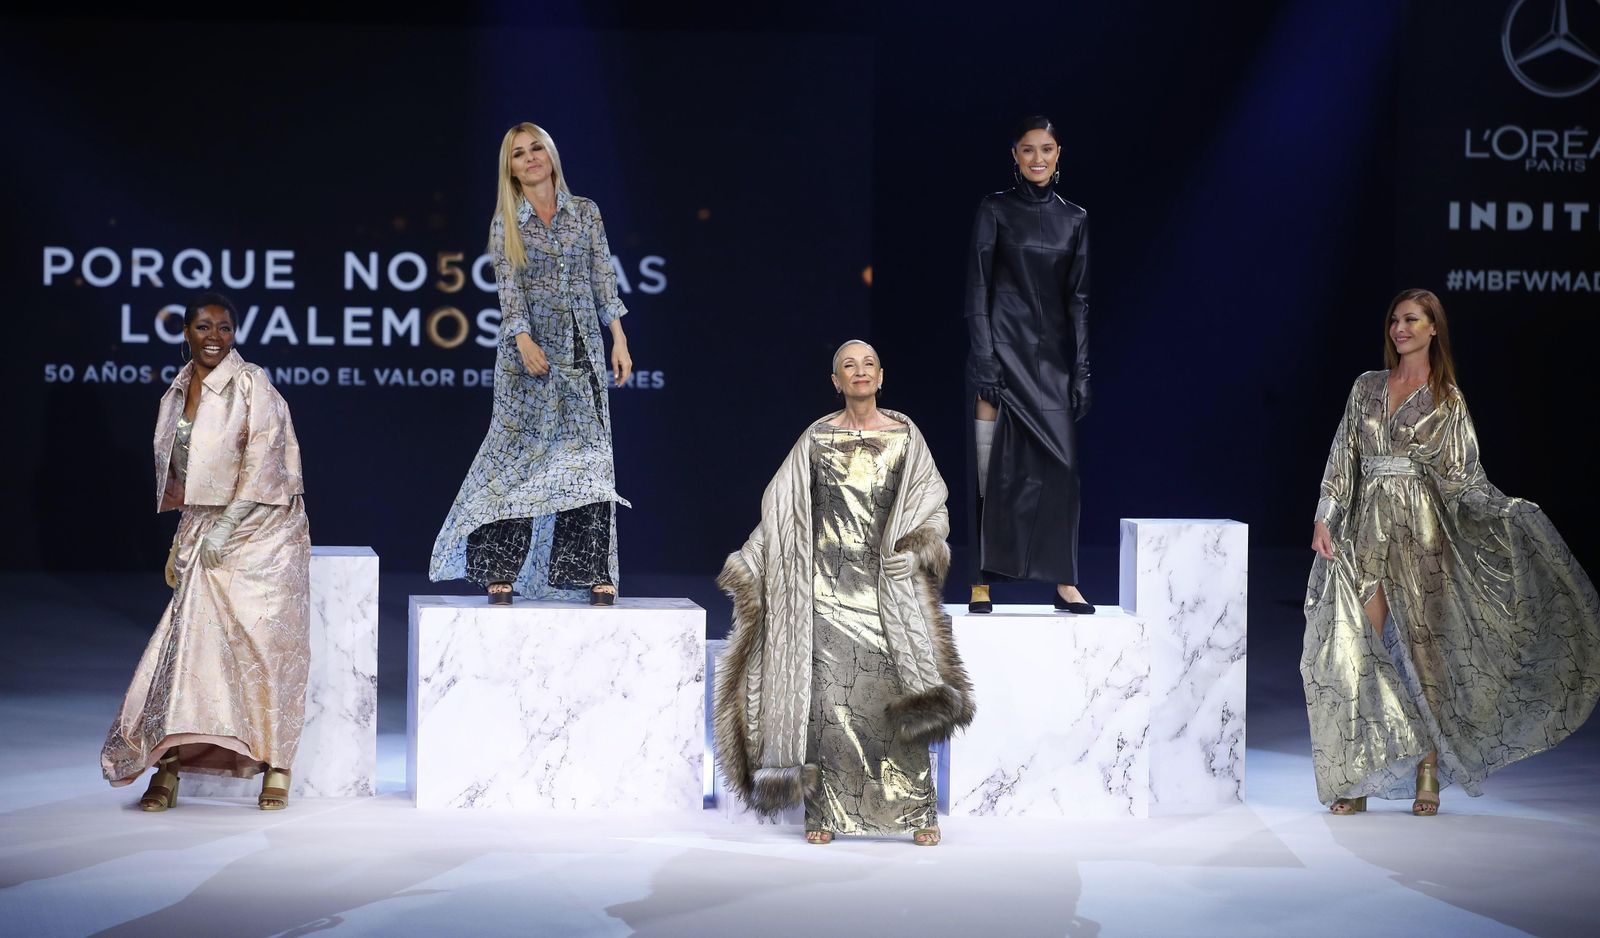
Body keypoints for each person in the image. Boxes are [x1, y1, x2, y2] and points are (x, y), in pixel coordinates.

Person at [1302, 288, 1600, 816]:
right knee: (1354, 648)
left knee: (1427, 657)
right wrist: (1325, 515)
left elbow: (1464, 480)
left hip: (1423, 535)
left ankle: (1428, 769)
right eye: (1395, 320)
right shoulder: (1367, 387)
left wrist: (1507, 514)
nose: (1400, 329)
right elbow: (1342, 458)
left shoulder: (1447, 399)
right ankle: (1357, 769)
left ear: (1433, 327)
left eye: (1412, 320)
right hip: (1365, 529)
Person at [713, 340, 974, 846]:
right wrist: (752, 564)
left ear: (881, 375)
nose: (860, 372)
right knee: (828, 709)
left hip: (885, 596)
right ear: (835, 380)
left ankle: (918, 815)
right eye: (848, 366)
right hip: (822, 593)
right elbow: (781, 508)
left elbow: (933, 508)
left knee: (894, 701)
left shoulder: (906, 436)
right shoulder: (815, 439)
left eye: (869, 364)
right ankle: (825, 815)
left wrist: (919, 546)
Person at [102, 292, 311, 811]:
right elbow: (184, 476)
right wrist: (186, 536)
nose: (214, 337)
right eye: (203, 327)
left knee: (265, 652)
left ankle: (277, 766)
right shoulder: (176, 393)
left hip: (264, 528)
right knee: (186, 653)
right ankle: (168, 766)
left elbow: (267, 464)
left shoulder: (251, 383)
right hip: (206, 527)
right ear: (186, 333)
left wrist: (226, 528)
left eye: (224, 327)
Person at [430, 122, 634, 606]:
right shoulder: (506, 221)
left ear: (551, 154)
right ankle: (499, 569)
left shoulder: (585, 213)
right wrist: (522, 338)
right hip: (529, 359)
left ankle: (590, 570)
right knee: (518, 457)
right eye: (519, 154)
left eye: (537, 148)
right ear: (512, 168)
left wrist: (619, 339)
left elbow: (603, 279)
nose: (531, 158)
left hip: (582, 351)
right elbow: (510, 291)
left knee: (586, 459)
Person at [963, 115, 1093, 615]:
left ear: (1059, 154)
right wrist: (983, 356)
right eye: (1027, 150)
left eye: (1046, 149)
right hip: (999, 351)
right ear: (1014, 155)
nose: (1037, 159)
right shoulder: (994, 210)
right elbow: (976, 288)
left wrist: (1082, 370)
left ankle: (1064, 580)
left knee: (1063, 471)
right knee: (989, 469)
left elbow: (1080, 300)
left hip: (1053, 361)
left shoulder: (1075, 218)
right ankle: (981, 581)